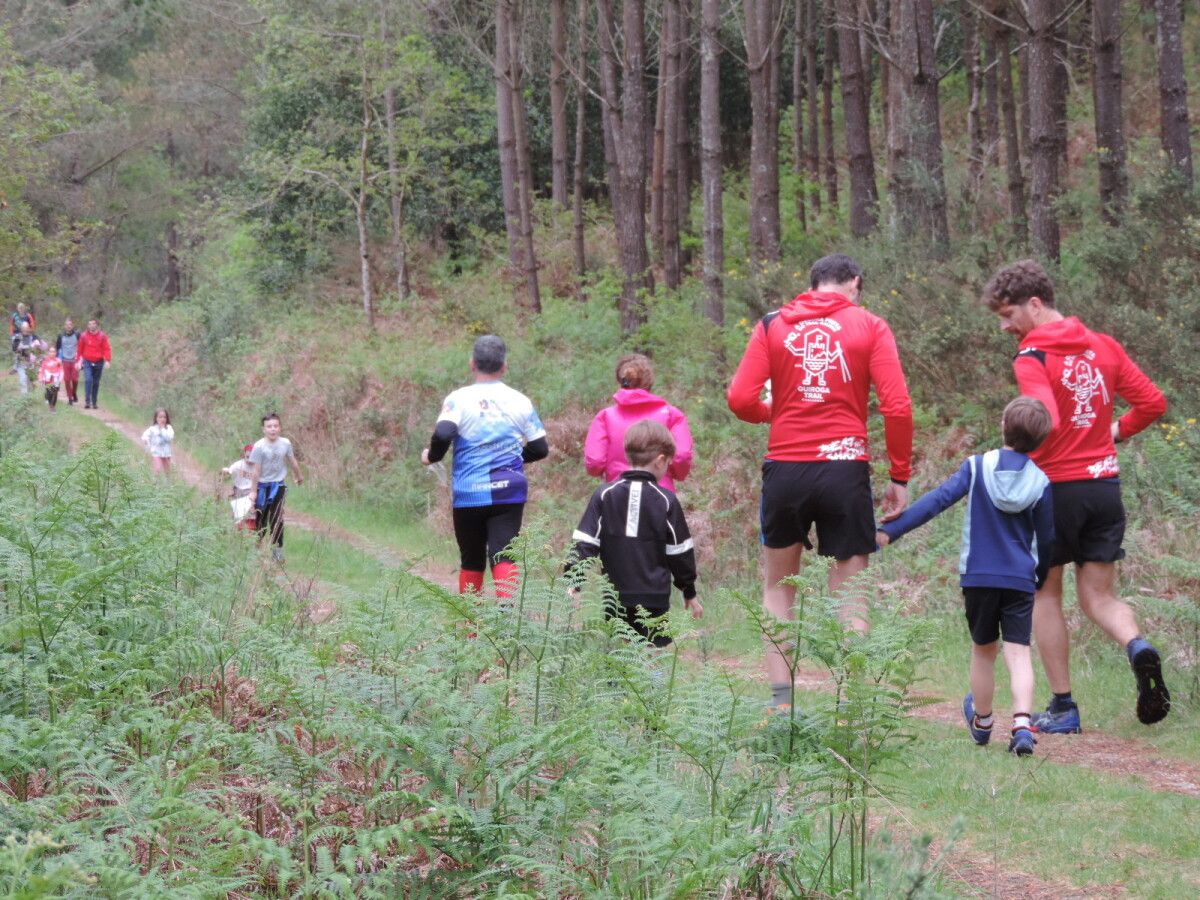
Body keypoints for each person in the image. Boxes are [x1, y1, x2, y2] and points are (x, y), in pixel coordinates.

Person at [983, 260, 1170, 731]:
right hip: (1104, 487)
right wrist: (1115, 432)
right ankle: (1138, 646)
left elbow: (1046, 420)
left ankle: (1064, 707)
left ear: (1035, 303)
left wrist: (1008, 456)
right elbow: (1152, 402)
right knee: (1099, 596)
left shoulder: (1032, 357)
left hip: (1053, 493)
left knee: (1045, 594)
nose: (1006, 326)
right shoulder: (1103, 346)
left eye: (1009, 315)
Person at [727, 253, 914, 715]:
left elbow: (739, 398)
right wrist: (900, 475)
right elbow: (898, 407)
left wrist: (775, 411)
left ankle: (782, 704)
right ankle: (853, 706)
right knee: (849, 594)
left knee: (777, 589)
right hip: (844, 468)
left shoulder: (772, 325)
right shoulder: (870, 325)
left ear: (812, 286)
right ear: (854, 283)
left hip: (786, 468)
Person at [877, 397, 1055, 756]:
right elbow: (1048, 539)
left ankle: (984, 722)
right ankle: (1022, 724)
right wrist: (1040, 575)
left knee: (983, 650)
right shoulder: (1041, 482)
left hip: (978, 578)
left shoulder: (977, 467)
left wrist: (891, 531)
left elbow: (936, 501)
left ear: (1003, 426)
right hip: (1019, 580)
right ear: (1040, 441)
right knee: (1018, 652)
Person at [420, 335, 548, 598]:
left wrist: (432, 457)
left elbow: (443, 434)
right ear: (504, 367)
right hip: (508, 489)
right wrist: (509, 457)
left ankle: (470, 630)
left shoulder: (459, 399)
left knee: (471, 559)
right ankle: (504, 622)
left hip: (470, 490)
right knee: (504, 554)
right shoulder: (520, 400)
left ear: (472, 364)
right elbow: (540, 448)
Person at [569, 420, 702, 647]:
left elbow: (585, 541)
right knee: (652, 650)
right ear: (661, 460)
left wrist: (574, 581)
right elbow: (679, 552)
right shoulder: (666, 500)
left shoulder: (605, 494)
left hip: (614, 596)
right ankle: (652, 682)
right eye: (668, 464)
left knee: (620, 651)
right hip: (655, 597)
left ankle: (617, 683)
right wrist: (688, 591)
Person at [584, 353, 694, 491]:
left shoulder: (605, 417)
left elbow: (594, 463)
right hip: (660, 495)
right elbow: (682, 457)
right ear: (650, 382)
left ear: (621, 381)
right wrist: (673, 473)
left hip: (617, 496)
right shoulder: (673, 415)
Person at [248, 413, 304, 562]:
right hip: (262, 487)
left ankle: (277, 553)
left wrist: (298, 476)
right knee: (261, 519)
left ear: (280, 428)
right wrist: (253, 492)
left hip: (278, 485)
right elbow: (256, 471)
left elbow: (292, 461)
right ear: (263, 429)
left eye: (275, 426)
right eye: (269, 426)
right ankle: (256, 550)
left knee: (277, 518)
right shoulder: (259, 446)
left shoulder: (285, 443)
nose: (273, 429)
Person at [77, 319, 112, 410]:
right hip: (87, 361)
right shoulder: (83, 336)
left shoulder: (102, 336)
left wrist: (107, 360)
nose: (91, 325)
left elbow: (106, 349)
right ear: (87, 326)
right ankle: (87, 401)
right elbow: (79, 349)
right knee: (88, 380)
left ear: (97, 325)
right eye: (89, 324)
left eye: (93, 324)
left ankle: (94, 401)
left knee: (96, 382)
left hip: (99, 362)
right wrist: (78, 361)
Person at [222, 444, 257, 530]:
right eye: (248, 456)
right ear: (244, 455)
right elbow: (230, 471)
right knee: (238, 512)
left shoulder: (257, 467)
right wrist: (226, 471)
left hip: (250, 491)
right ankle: (237, 530)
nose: (250, 459)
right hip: (238, 490)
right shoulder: (239, 464)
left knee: (250, 511)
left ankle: (250, 530)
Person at [11, 322, 42, 395]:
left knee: (31, 382)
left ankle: (30, 398)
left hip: (32, 363)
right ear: (21, 329)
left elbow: (40, 347)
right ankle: (24, 399)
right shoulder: (17, 337)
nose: (25, 329)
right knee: (23, 380)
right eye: (23, 328)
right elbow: (14, 349)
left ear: (29, 328)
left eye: (26, 328)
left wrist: (37, 345)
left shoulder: (34, 337)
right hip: (21, 362)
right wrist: (18, 348)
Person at [55, 318, 81, 406]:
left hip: (75, 360)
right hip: (65, 360)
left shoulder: (77, 335)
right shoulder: (60, 336)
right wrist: (57, 360)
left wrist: (81, 359)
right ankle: (70, 398)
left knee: (75, 379)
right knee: (66, 380)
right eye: (66, 325)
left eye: (70, 325)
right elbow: (58, 348)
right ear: (64, 326)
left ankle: (74, 393)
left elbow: (81, 347)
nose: (68, 326)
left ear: (72, 326)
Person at [141, 408, 174, 475]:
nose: (162, 419)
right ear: (156, 418)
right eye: (160, 417)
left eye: (164, 417)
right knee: (157, 469)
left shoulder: (168, 428)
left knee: (167, 470)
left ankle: (168, 482)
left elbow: (170, 437)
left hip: (166, 453)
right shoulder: (153, 429)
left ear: (167, 418)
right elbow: (146, 434)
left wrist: (162, 429)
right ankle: (156, 482)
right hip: (156, 452)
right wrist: (145, 439)